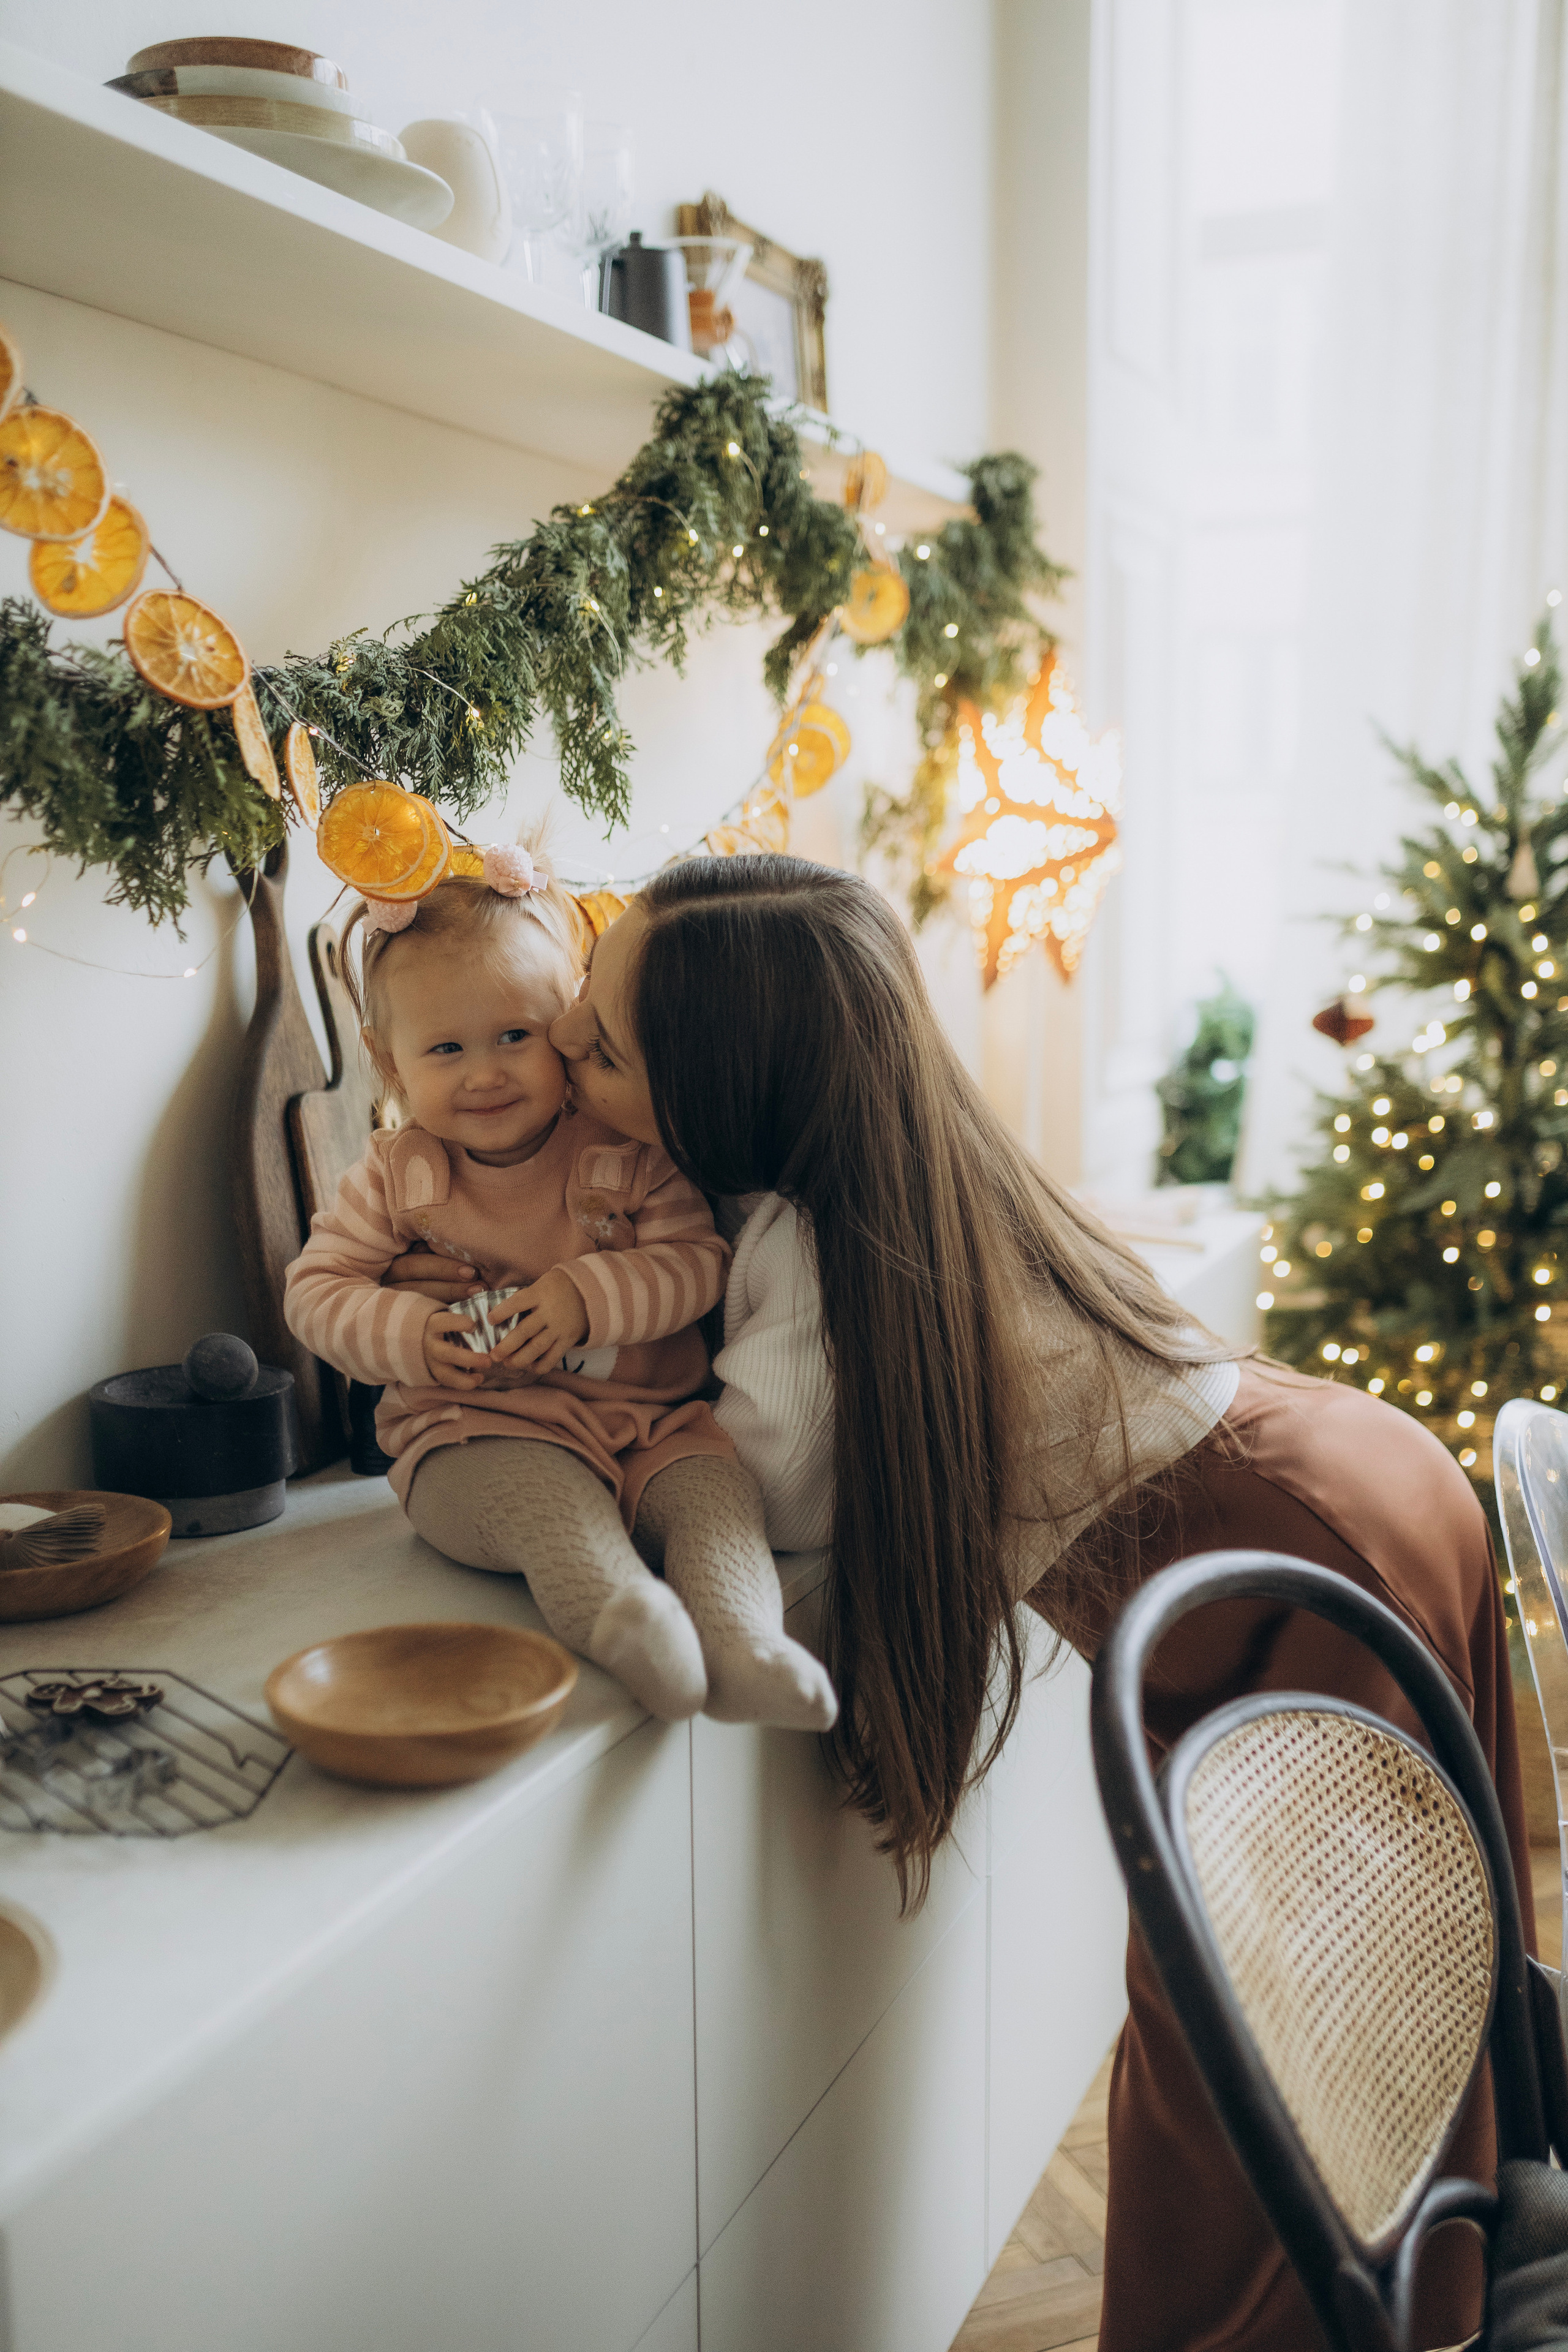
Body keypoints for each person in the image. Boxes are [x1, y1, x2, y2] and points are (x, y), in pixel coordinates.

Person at [390, 850, 1530, 2351]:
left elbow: (776, 1493)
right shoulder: (906, 1154)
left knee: (1261, 2061)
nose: (564, 1066)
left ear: (724, 1087)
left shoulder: (797, 1242)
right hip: (1349, 1481)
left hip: (1293, 1567)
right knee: (1400, 1993)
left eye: (601, 1046)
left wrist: (582, 1420)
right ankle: (1441, 2285)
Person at [283, 842, 836, 1734]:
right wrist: (406, 1330)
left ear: (568, 1023)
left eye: (517, 1036)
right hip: (473, 1435)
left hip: (648, 1423)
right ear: (391, 1066)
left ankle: (746, 1642)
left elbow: (698, 1264)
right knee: (554, 1508)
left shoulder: (626, 1151)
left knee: (714, 1494)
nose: (485, 1072)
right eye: (447, 1049)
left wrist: (588, 1295)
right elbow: (316, 1291)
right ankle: (629, 1623)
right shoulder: (396, 1177)